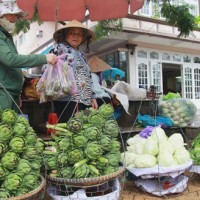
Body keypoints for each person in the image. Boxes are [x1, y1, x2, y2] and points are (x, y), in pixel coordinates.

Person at [0, 0, 57, 111]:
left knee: (11, 126)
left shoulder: (6, 35)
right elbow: (11, 60)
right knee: (4, 126)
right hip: (3, 91)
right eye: (12, 14)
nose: (15, 19)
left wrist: (17, 92)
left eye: (17, 16)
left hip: (11, 92)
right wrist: (44, 58)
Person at [49, 20, 98, 122]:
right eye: (72, 33)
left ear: (83, 37)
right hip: (66, 99)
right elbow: (48, 69)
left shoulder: (81, 55)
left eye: (79, 34)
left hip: (84, 100)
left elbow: (88, 77)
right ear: (65, 35)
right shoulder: (58, 48)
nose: (76, 36)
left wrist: (92, 96)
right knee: (68, 131)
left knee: (82, 131)